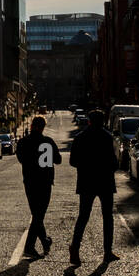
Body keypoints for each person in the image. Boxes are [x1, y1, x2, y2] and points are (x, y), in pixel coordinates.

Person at [67, 108, 119, 265]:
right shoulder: (107, 137)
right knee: (107, 217)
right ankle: (107, 251)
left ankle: (75, 248)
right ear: (103, 121)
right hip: (105, 182)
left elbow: (72, 161)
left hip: (87, 181)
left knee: (83, 216)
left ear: (89, 121)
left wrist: (86, 167)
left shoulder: (80, 138)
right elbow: (114, 162)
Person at [15, 115, 61, 259]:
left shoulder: (23, 142)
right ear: (43, 127)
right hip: (45, 181)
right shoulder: (48, 142)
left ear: (31, 126)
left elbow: (21, 159)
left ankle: (45, 241)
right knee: (39, 213)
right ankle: (29, 246)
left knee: (37, 213)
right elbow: (58, 160)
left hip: (29, 181)